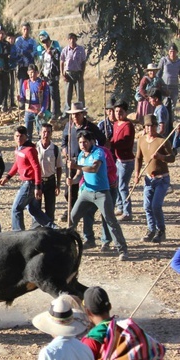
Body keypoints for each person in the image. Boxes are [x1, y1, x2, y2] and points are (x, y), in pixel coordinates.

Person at [68, 130, 129, 260]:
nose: (82, 145)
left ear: (91, 141)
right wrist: (72, 181)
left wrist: (76, 166)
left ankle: (122, 249)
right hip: (87, 192)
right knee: (72, 217)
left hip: (102, 193)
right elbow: (79, 176)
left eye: (85, 142)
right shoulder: (81, 156)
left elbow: (94, 169)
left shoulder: (98, 152)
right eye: (80, 142)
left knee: (110, 220)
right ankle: (69, 246)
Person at [0, 126, 57, 231]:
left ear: (26, 137)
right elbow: (17, 164)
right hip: (28, 183)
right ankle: (54, 228)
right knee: (34, 209)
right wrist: (8, 177)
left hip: (30, 184)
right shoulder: (19, 149)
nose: (19, 138)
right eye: (17, 136)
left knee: (16, 209)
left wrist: (37, 186)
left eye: (21, 136)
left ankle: (18, 233)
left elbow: (36, 168)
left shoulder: (30, 150)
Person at [136, 114, 174, 244]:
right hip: (148, 179)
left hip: (162, 179)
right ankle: (151, 230)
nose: (150, 128)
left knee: (156, 205)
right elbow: (138, 158)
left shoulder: (162, 141)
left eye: (152, 125)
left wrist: (161, 157)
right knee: (147, 206)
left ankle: (161, 231)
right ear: (144, 127)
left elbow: (172, 157)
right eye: (147, 126)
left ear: (156, 126)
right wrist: (137, 174)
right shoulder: (141, 140)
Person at [112, 100, 135, 221]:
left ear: (125, 112)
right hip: (118, 160)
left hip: (127, 160)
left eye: (121, 111)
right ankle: (120, 206)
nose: (118, 113)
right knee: (116, 184)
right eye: (116, 111)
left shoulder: (128, 126)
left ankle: (127, 211)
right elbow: (114, 139)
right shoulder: (116, 124)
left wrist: (113, 145)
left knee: (122, 186)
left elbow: (126, 142)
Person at [36, 123, 62, 223]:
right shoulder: (35, 148)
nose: (46, 134)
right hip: (38, 182)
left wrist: (58, 184)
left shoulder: (55, 149)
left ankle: (50, 231)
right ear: (40, 133)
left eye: (48, 132)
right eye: (44, 132)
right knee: (36, 208)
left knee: (50, 209)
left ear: (52, 134)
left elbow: (59, 167)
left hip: (50, 181)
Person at [20, 64, 49, 139]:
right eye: (30, 73)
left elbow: (46, 99)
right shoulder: (25, 83)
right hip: (28, 111)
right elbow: (23, 97)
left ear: (37, 73)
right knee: (27, 133)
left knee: (41, 133)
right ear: (27, 73)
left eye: (33, 73)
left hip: (39, 111)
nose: (32, 75)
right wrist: (20, 99)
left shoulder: (43, 84)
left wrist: (42, 110)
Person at [60, 33, 86, 116]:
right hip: (68, 73)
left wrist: (82, 74)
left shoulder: (81, 49)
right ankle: (67, 112)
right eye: (70, 39)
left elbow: (83, 62)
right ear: (68, 40)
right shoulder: (65, 50)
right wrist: (62, 74)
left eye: (74, 39)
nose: (72, 40)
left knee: (80, 93)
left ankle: (81, 111)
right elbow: (62, 61)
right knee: (68, 94)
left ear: (76, 39)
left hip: (78, 73)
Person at [39, 31, 61, 117]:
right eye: (43, 43)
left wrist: (52, 55)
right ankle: (47, 113)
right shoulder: (43, 53)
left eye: (46, 42)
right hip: (45, 77)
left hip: (53, 77)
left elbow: (57, 63)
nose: (45, 44)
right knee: (46, 96)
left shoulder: (55, 51)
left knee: (54, 95)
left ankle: (55, 113)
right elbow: (43, 65)